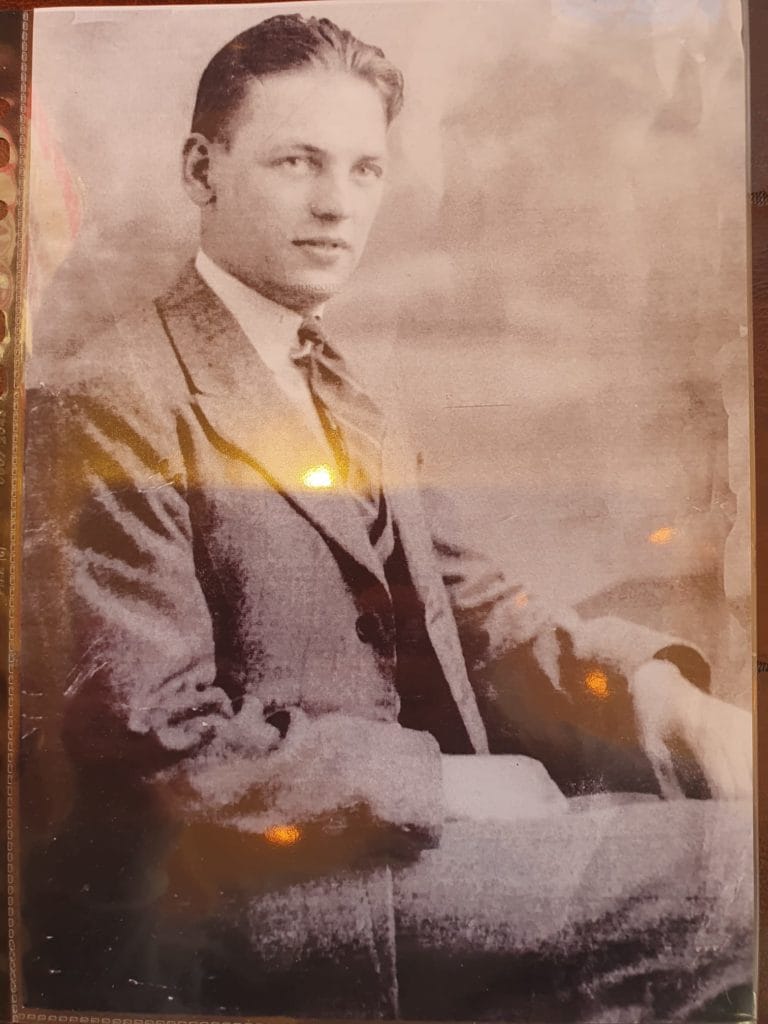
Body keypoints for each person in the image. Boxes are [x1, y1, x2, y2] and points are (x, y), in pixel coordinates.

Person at [19, 13, 752, 1022]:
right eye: (297, 162)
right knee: (736, 874)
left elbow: (479, 612)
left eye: (365, 169)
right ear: (201, 170)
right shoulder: (111, 398)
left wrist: (673, 711)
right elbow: (151, 744)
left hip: (383, 857)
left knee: (724, 816)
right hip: (251, 896)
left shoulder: (342, 388)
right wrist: (440, 787)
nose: (337, 205)